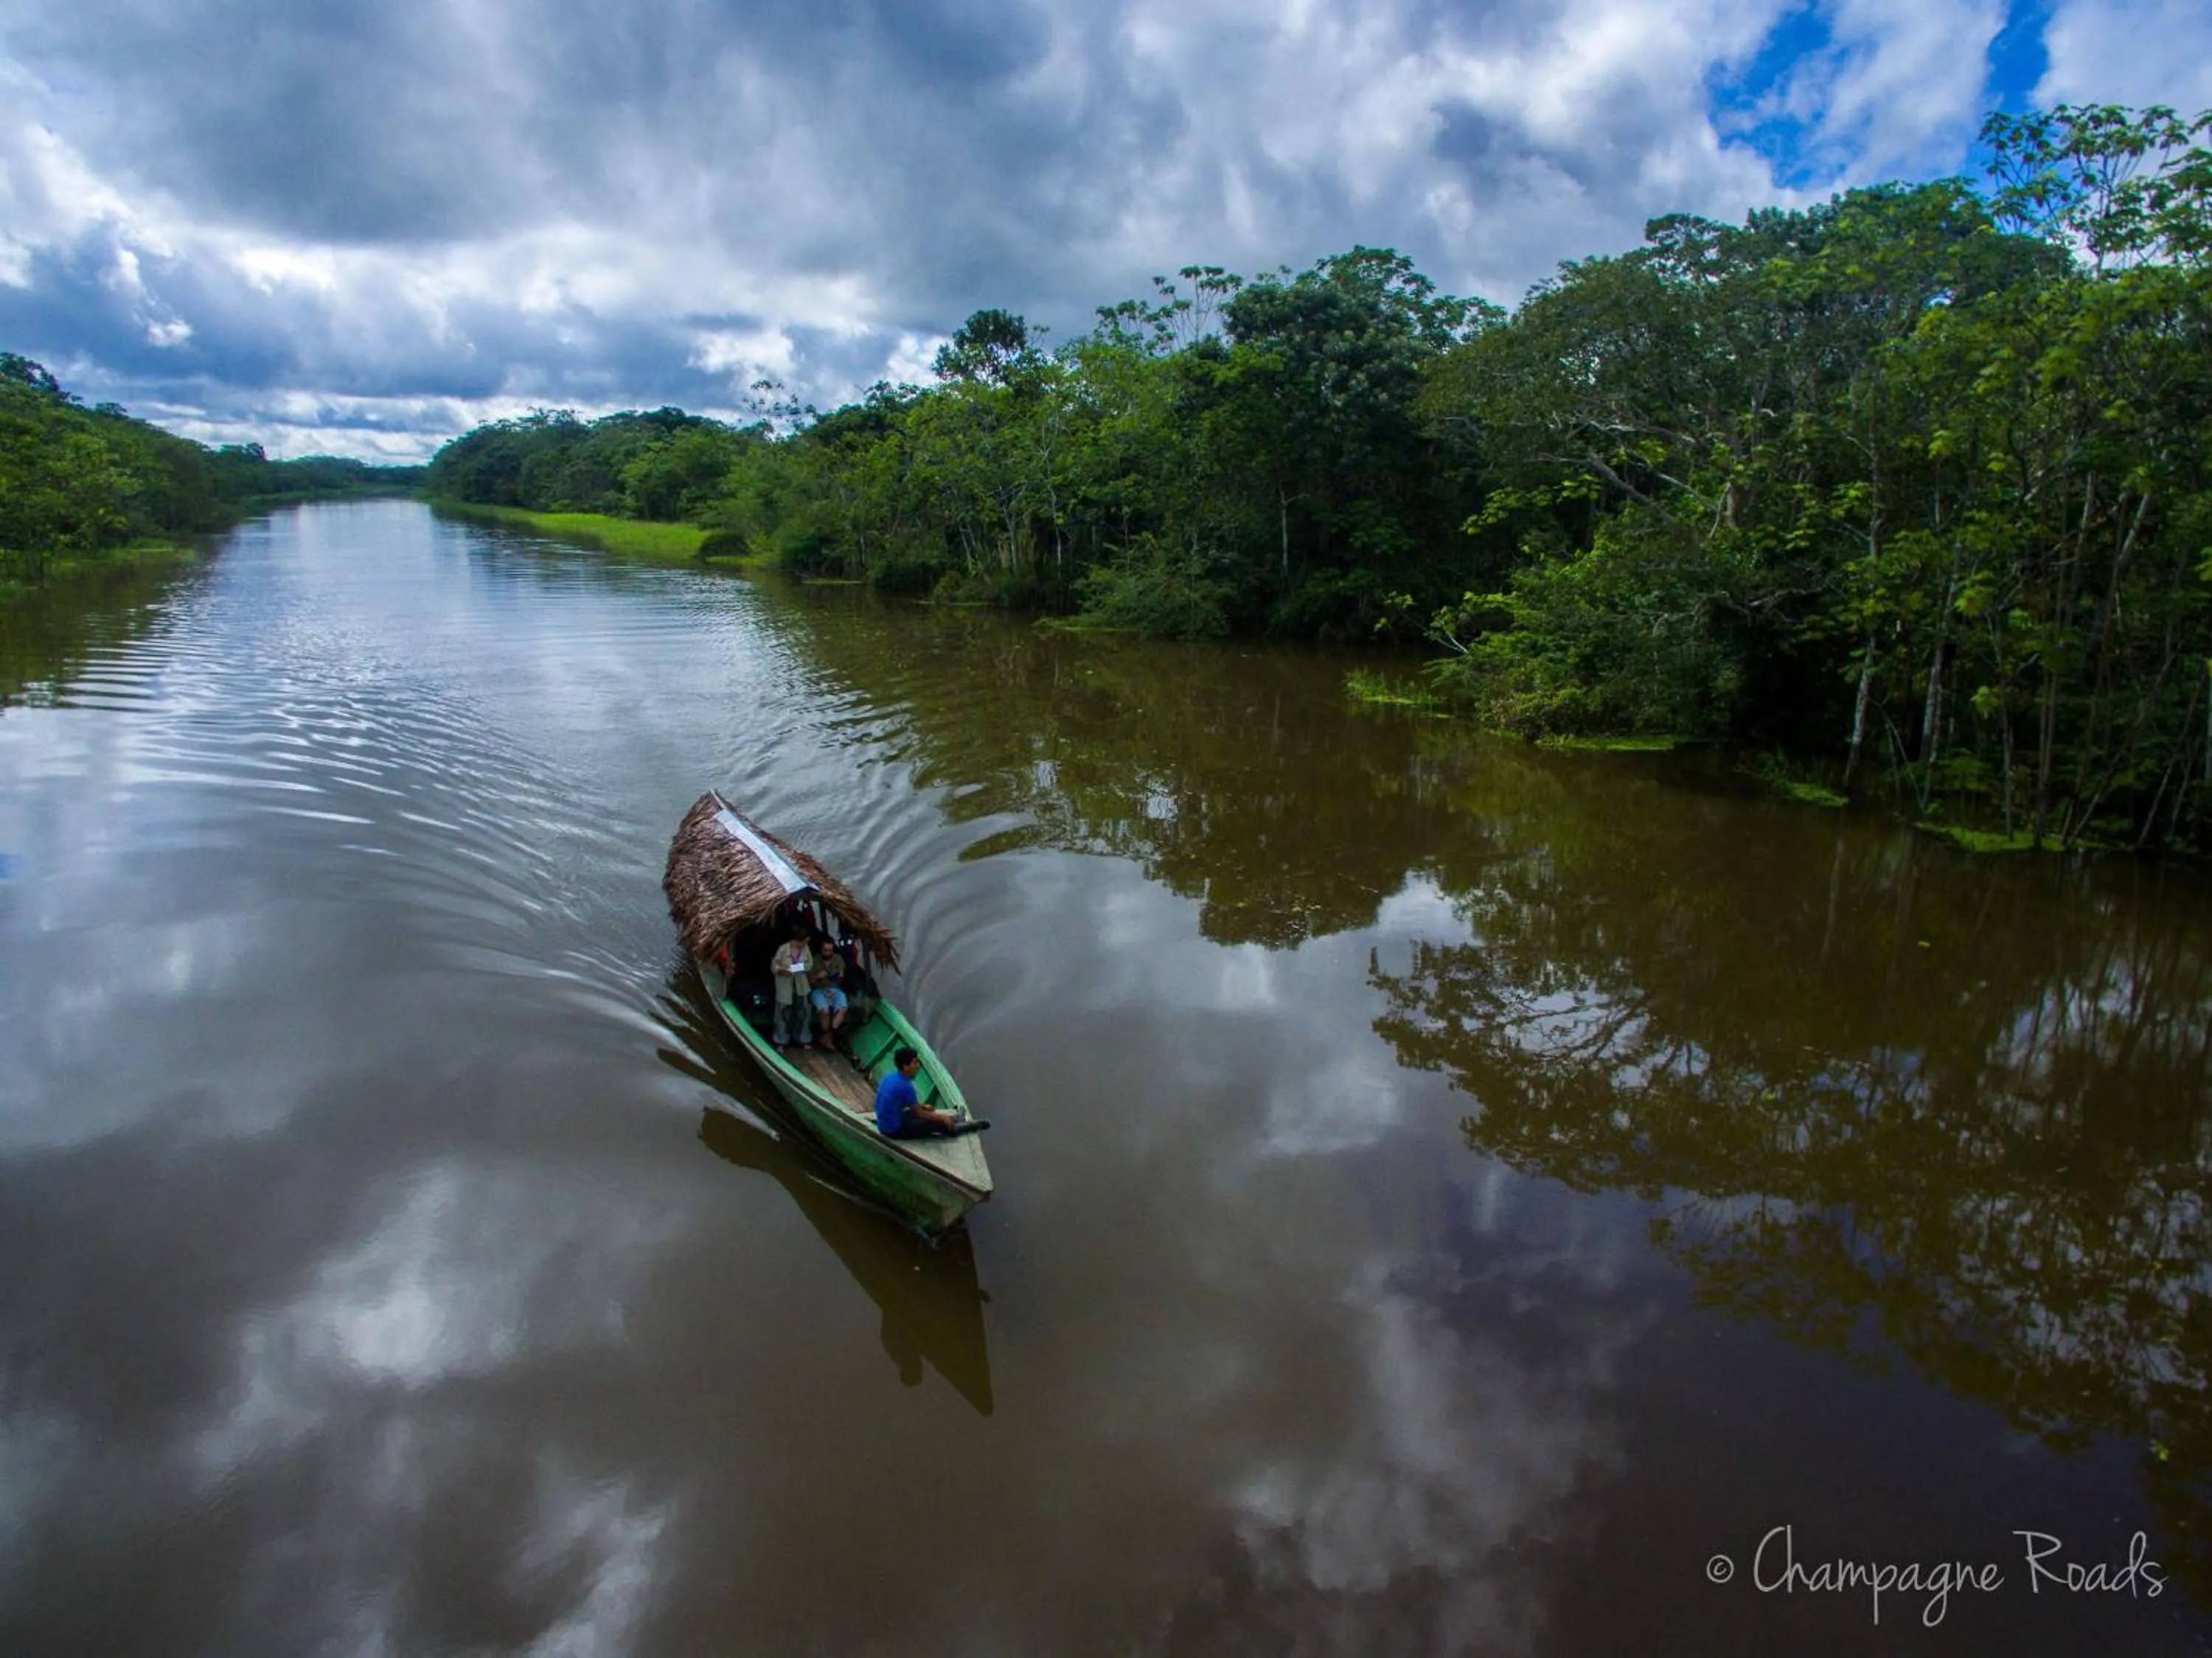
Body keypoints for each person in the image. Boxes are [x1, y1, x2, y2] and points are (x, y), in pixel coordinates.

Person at [873, 1047, 988, 1137]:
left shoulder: (890, 1076)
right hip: (893, 1130)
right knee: (933, 1124)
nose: (918, 1066)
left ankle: (957, 1118)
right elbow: (920, 1114)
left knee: (925, 1112)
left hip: (884, 1123)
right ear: (905, 1066)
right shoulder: (906, 1086)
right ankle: (959, 1128)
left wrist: (922, 1106)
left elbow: (905, 1104)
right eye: (915, 1063)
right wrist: (942, 1119)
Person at [770, 922, 813, 1047]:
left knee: (804, 1014)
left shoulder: (806, 950)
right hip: (785, 987)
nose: (807, 943)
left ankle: (803, 1039)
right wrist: (781, 970)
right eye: (806, 941)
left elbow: (809, 965)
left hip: (801, 987)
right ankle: (781, 1041)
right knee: (783, 1014)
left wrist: (793, 969)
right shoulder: (783, 949)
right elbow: (774, 966)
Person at [809, 935, 850, 1049]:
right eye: (825, 951)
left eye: (830, 951)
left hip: (835, 989)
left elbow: (841, 975)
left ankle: (828, 1035)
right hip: (818, 989)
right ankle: (826, 1035)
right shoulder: (814, 960)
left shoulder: (838, 959)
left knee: (842, 1008)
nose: (828, 953)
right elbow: (809, 981)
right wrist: (818, 977)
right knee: (824, 1010)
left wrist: (838, 977)